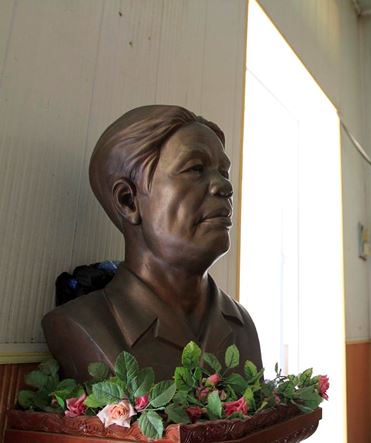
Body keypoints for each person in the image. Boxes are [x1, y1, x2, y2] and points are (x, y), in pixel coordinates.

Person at [43, 105, 263, 380]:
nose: (225, 187)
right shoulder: (83, 324)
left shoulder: (243, 325)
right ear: (128, 201)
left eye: (223, 172)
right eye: (195, 169)